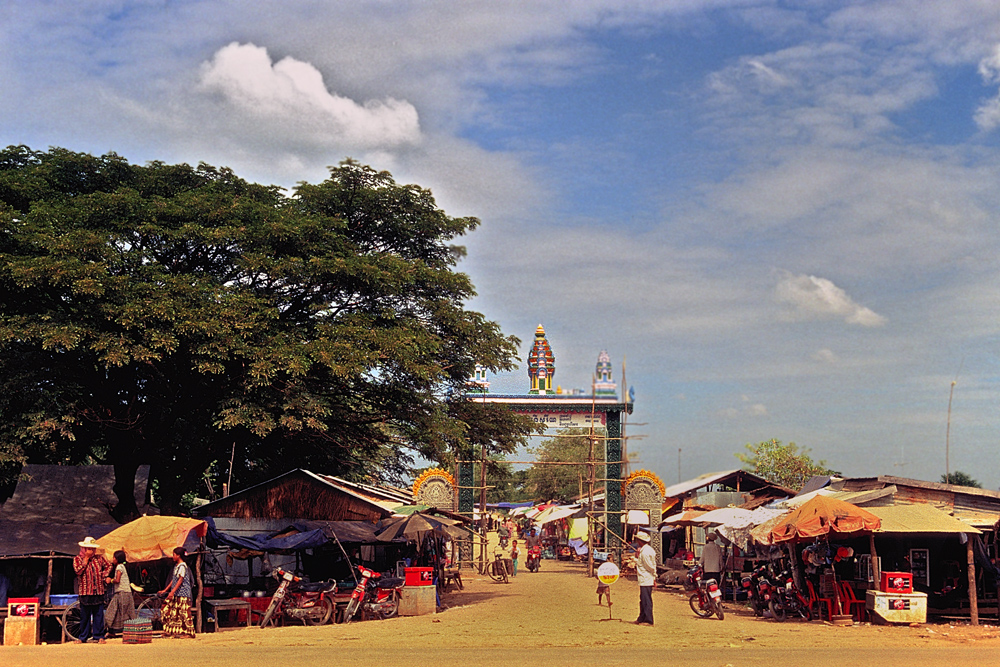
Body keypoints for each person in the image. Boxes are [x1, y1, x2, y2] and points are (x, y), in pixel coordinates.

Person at [72, 536, 112, 643]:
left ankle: (99, 636)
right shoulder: (77, 559)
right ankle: (82, 637)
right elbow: (78, 571)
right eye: (89, 549)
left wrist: (103, 575)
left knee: (98, 615)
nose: (91, 551)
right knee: (84, 616)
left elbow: (109, 566)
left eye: (92, 549)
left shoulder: (99, 559)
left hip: (98, 590)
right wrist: (86, 559)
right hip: (85, 591)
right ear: (84, 549)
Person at [158, 547, 195, 638]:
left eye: (174, 555)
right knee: (171, 612)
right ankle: (171, 631)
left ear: (178, 556)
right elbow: (173, 580)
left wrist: (172, 592)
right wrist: (165, 590)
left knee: (184, 613)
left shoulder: (182, 566)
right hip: (177, 593)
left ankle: (189, 633)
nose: (173, 556)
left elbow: (180, 580)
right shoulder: (177, 566)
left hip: (183, 594)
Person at [104, 550, 136, 638]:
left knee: (120, 612)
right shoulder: (122, 566)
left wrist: (110, 580)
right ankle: (112, 631)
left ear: (117, 559)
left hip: (122, 593)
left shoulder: (119, 567)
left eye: (114, 557)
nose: (113, 559)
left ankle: (130, 631)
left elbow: (117, 580)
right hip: (122, 592)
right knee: (116, 612)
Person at [633, 531, 656, 626]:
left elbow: (649, 566)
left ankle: (648, 620)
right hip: (644, 578)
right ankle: (641, 618)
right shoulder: (645, 550)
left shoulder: (646, 552)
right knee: (643, 599)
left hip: (646, 578)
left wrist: (654, 576)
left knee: (646, 600)